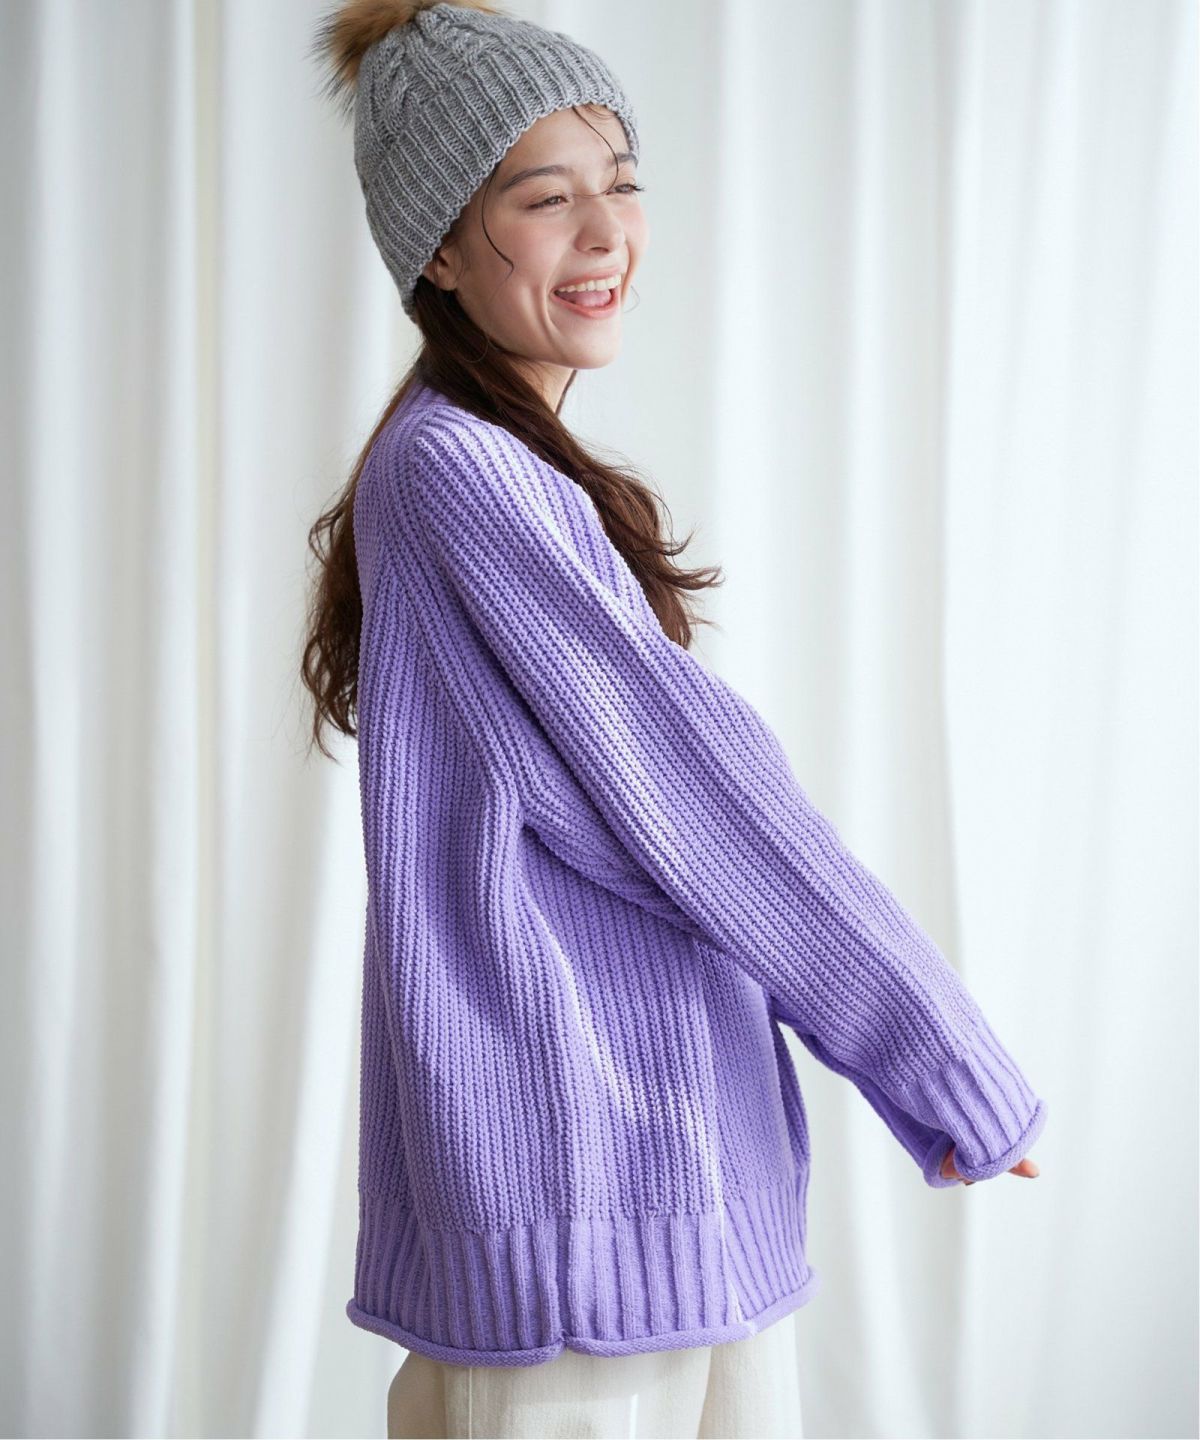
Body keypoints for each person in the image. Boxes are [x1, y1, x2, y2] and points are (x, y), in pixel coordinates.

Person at [301, 2, 1047, 1436]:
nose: (605, 231)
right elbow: (711, 809)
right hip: (585, 1171)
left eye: (622, 180)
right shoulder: (463, 475)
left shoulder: (501, 468)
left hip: (665, 1173)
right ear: (441, 250)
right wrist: (939, 1056)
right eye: (544, 197)